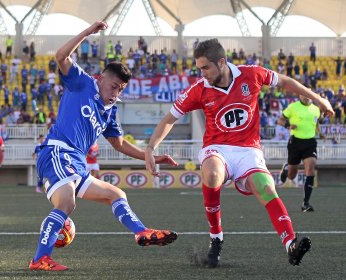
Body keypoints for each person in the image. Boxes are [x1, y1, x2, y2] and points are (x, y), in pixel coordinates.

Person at [144, 39, 334, 268]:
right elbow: (169, 120)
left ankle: (291, 244)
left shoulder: (252, 74)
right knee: (212, 173)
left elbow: (285, 81)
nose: (201, 73)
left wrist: (318, 99)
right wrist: (150, 149)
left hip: (248, 150)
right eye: (199, 68)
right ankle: (216, 238)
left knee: (266, 186)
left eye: (205, 67)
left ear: (222, 62)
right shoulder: (199, 89)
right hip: (217, 148)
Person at [29, 20, 178, 271]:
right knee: (67, 203)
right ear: (101, 79)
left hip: (77, 163)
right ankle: (39, 259)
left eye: (120, 90)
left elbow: (119, 143)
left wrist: (148, 156)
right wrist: (88, 32)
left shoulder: (110, 111)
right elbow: (60, 55)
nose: (115, 93)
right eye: (113, 86)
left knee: (117, 194)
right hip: (57, 152)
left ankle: (141, 232)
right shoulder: (82, 82)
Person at [277, 93, 324, 212]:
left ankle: (306, 203)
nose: (306, 97)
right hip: (295, 142)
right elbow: (280, 120)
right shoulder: (293, 107)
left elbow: (316, 122)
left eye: (308, 95)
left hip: (310, 143)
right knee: (292, 175)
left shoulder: (316, 109)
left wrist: (320, 133)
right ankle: (287, 167)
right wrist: (288, 125)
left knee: (310, 170)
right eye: (303, 95)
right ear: (299, 95)